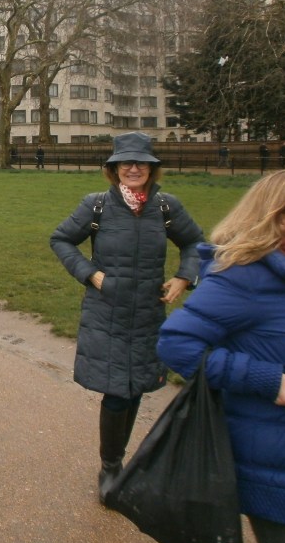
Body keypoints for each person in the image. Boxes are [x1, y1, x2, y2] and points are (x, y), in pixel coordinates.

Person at [50, 131, 204, 504]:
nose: (133, 169)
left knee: (135, 388)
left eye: (141, 163)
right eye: (126, 163)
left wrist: (184, 277)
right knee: (117, 390)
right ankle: (111, 466)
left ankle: (118, 459)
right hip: (108, 312)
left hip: (148, 312)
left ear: (152, 168)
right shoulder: (97, 206)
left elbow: (195, 243)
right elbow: (61, 239)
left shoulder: (166, 207)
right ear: (114, 168)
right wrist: (90, 274)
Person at [157, 170, 285, 543]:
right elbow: (176, 343)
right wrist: (264, 379)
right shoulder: (243, 277)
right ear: (276, 216)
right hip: (277, 462)